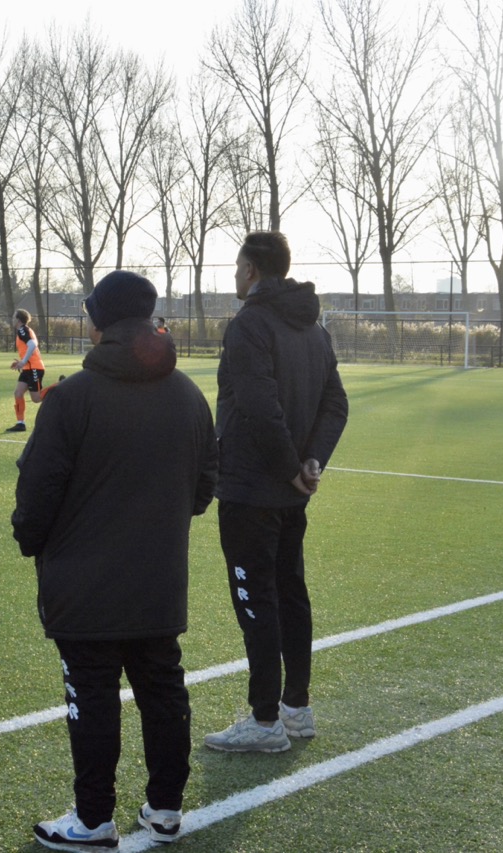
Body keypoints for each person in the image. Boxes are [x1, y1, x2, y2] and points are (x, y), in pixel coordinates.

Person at [12, 270, 218, 852]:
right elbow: (205, 487)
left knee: (94, 693)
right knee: (163, 689)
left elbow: (35, 498)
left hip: (85, 584)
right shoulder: (187, 394)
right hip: (158, 580)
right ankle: (164, 810)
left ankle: (94, 817)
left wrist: (33, 543)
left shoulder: (73, 398)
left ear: (98, 321)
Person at [203, 231, 349, 755]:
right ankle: (297, 708)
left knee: (256, 598)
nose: (234, 274)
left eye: (237, 265)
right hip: (290, 492)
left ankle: (265, 720)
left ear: (252, 270)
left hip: (252, 488)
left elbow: (259, 406)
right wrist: (311, 463)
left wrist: (293, 467)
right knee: (290, 592)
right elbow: (337, 405)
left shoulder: (249, 325)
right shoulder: (314, 329)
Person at [6, 309, 54, 433]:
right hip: (28, 368)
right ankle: (20, 423)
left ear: (18, 319)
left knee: (36, 398)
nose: (12, 319)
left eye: (13, 317)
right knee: (18, 393)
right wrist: (22, 362)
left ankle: (60, 385)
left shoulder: (22, 330)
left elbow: (33, 345)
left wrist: (23, 361)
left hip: (34, 368)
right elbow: (31, 345)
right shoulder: (23, 330)